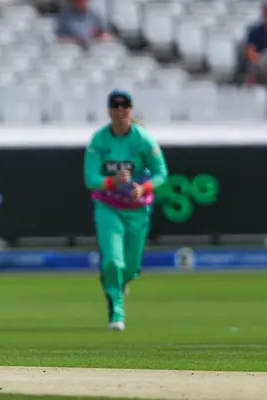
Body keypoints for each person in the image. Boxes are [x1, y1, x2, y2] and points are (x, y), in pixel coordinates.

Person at [83, 89, 168, 332]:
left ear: (131, 109)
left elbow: (162, 173)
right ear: (109, 110)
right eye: (115, 106)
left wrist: (144, 187)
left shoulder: (143, 140)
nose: (120, 110)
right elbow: (90, 179)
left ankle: (122, 284)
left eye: (125, 106)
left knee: (130, 268)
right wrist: (114, 182)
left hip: (138, 210)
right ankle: (116, 311)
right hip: (108, 206)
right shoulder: (99, 141)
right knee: (113, 261)